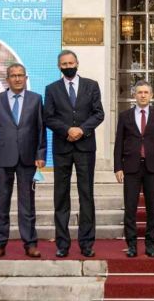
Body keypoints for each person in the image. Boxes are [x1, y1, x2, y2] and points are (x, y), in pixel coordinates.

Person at [44, 50, 104, 258]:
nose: (68, 66)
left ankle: (86, 243)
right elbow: (48, 117)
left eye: (71, 63)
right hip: (62, 148)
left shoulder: (91, 85)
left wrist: (81, 130)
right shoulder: (52, 89)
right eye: (64, 64)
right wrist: (67, 130)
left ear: (77, 63)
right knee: (61, 197)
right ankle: (62, 244)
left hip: (85, 148)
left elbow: (99, 113)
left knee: (86, 195)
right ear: (59, 66)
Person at [0, 63, 46, 259]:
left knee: (27, 204)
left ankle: (30, 244)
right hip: (2, 160)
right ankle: (0, 244)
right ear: (7, 79)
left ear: (26, 78)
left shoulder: (36, 99)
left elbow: (41, 130)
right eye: (13, 75)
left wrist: (41, 155)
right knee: (0, 204)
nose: (17, 79)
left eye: (21, 75)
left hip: (28, 159)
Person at [114, 80, 154, 258]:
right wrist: (118, 167)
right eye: (140, 92)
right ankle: (131, 245)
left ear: (151, 95)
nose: (143, 95)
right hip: (131, 168)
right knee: (130, 208)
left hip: (153, 168)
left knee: (153, 208)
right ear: (134, 95)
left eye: (146, 92)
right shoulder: (125, 116)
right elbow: (119, 143)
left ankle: (150, 244)